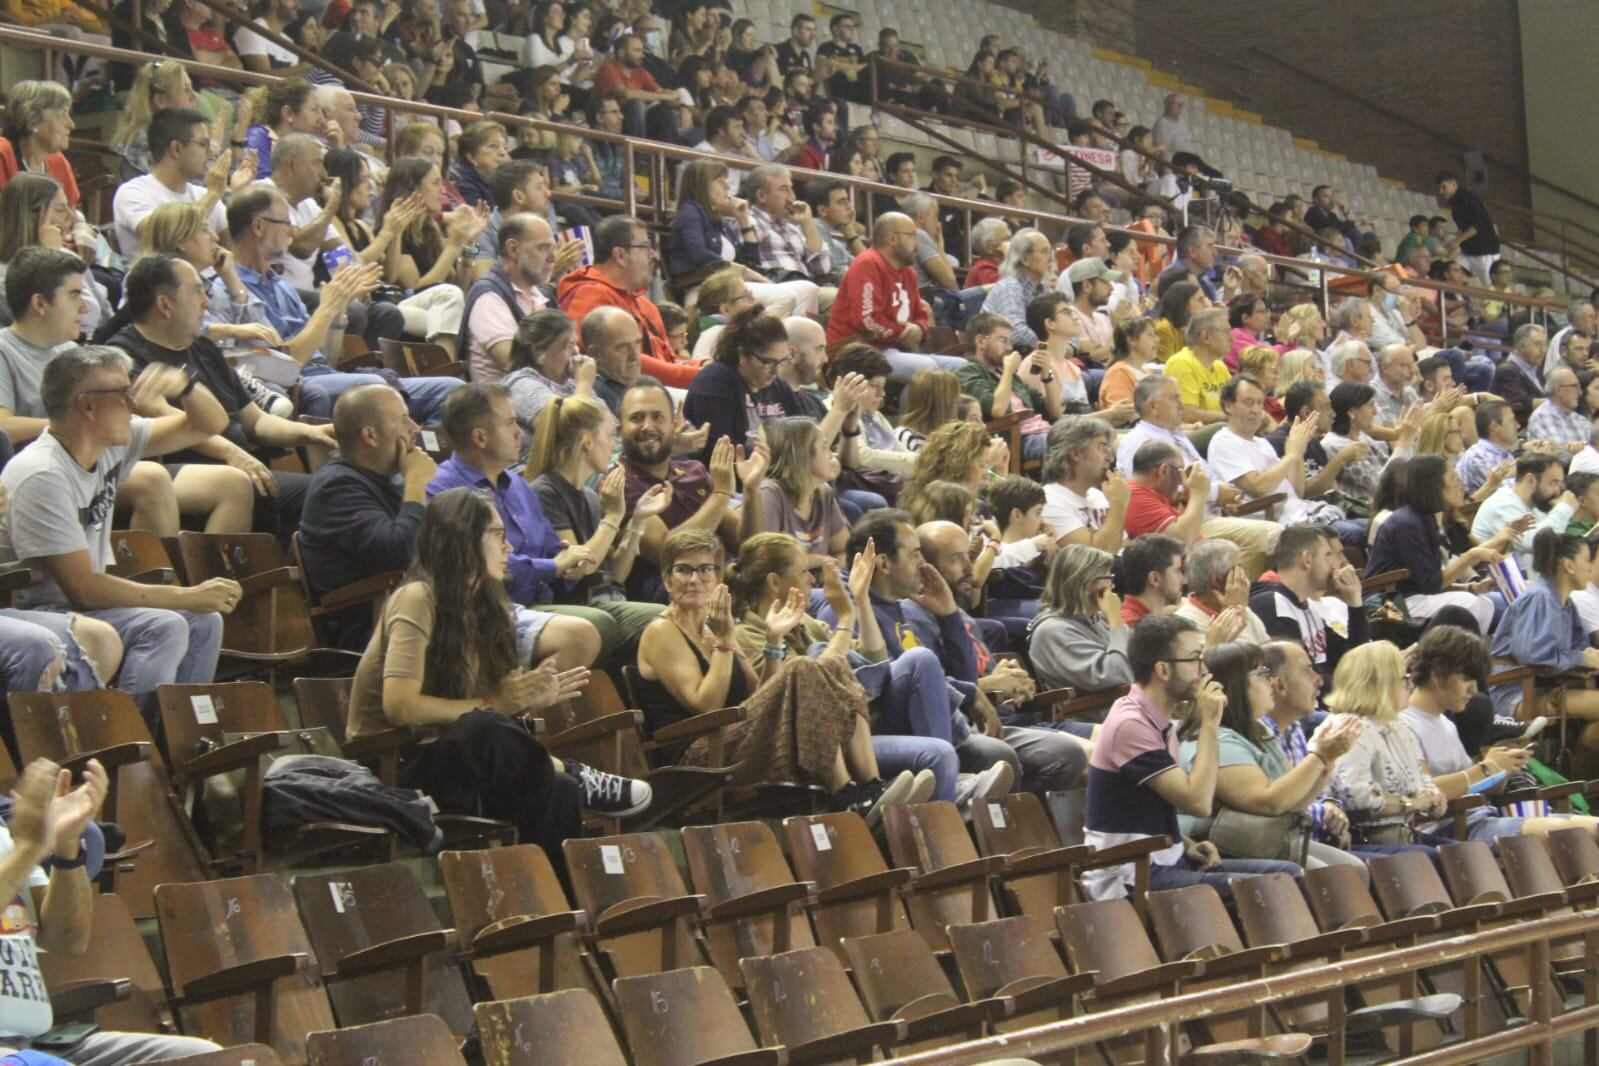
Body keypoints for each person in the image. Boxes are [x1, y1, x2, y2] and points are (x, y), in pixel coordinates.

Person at [347, 488, 651, 877]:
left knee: (559, 790)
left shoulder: (489, 608)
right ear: (463, 539)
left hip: (462, 758)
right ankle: (570, 770)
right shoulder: (417, 598)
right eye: (497, 534)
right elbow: (400, 706)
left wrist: (531, 698)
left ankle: (566, 916)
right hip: (396, 766)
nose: (508, 546)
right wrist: (498, 707)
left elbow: (492, 707)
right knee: (486, 726)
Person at [0, 345, 236, 728]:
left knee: (204, 620)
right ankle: (131, 754)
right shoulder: (42, 473)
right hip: (37, 610)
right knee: (167, 624)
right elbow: (84, 590)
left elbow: (209, 423)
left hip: (80, 607)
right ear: (87, 406)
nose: (134, 404)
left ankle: (187, 745)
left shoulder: (107, 447)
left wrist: (186, 384)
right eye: (123, 394)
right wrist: (183, 595)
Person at [638, 527, 928, 821]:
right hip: (698, 755)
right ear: (666, 580)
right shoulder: (663, 631)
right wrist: (725, 644)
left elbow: (759, 694)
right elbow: (706, 706)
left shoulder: (716, 626)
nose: (695, 579)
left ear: (717, 578)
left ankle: (870, 786)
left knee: (831, 665)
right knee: (802, 665)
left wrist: (774, 642)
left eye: (705, 569)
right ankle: (844, 795)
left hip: (736, 737)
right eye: (683, 570)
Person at [104, 254, 330, 535]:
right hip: (191, 475)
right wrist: (231, 451)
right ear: (164, 304)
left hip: (242, 466)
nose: (207, 303)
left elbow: (256, 421)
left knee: (333, 490)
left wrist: (312, 433)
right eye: (197, 291)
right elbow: (162, 418)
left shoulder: (204, 348)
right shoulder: (124, 357)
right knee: (324, 496)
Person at [1083, 613, 1303, 901]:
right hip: (1129, 876)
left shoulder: (1155, 716)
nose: (1203, 670)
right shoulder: (1130, 723)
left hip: (1164, 861)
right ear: (1163, 669)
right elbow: (1198, 802)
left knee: (1289, 873)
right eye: (1195, 659)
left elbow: (1152, 803)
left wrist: (1185, 844)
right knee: (1276, 888)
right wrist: (1209, 722)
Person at [224, 186, 461, 423]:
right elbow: (283, 366)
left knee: (453, 391)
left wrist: (337, 313)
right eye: (285, 223)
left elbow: (329, 358)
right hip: (297, 385)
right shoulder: (233, 290)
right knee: (376, 387)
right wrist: (328, 308)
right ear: (258, 226)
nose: (292, 231)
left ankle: (420, 457)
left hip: (325, 374)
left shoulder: (282, 287)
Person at [1178, 640, 1365, 872]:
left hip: (1267, 842)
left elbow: (1297, 801)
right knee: (1331, 877)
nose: (1270, 682)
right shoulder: (1218, 739)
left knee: (1354, 869)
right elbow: (1268, 802)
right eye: (1262, 673)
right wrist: (1319, 756)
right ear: (1236, 685)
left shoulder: (1260, 730)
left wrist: (1329, 757)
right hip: (1222, 848)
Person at [1404, 623, 1599, 842]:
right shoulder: (1404, 726)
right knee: (1583, 832)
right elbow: (1423, 792)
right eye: (1466, 678)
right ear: (1437, 672)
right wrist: (1486, 768)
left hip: (1482, 819)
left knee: (1589, 828)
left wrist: (1502, 770)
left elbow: (1473, 786)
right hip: (1450, 832)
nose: (1473, 690)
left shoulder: (1445, 723)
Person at [520, 393, 671, 661]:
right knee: (665, 621)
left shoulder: (589, 495)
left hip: (604, 599)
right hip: (568, 606)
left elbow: (614, 574)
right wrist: (612, 517)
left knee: (679, 617)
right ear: (587, 441)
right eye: (608, 437)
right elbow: (580, 568)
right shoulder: (545, 491)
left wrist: (636, 521)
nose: (614, 447)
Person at [1491, 530, 1599, 772]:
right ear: (1568, 565)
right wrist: (1583, 658)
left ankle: (1578, 779)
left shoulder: (1566, 603)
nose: (1590, 568)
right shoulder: (1540, 598)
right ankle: (1575, 778)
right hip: (1516, 693)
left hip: (1550, 687)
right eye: (1586, 560)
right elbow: (1534, 655)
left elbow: (1580, 647)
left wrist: (1588, 656)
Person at [1365, 454, 1506, 633]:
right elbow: (1431, 584)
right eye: (1454, 479)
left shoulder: (1426, 519)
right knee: (1469, 604)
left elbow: (1426, 579)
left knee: (1484, 603)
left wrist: (1470, 586)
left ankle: (1469, 655)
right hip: (1386, 603)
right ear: (1435, 486)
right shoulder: (1407, 524)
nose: (1460, 485)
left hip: (1412, 596)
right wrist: (1472, 556)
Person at [557, 215, 693, 387]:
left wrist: (702, 367)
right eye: (645, 247)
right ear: (620, 255)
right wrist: (700, 377)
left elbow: (670, 360)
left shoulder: (646, 305)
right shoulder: (589, 294)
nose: (653, 254)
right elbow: (623, 361)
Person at [827, 213, 965, 381]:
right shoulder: (868, 264)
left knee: (963, 367)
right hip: (858, 352)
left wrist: (919, 329)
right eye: (912, 236)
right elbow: (867, 320)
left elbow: (920, 313)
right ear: (892, 238)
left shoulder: (908, 272)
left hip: (893, 349)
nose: (918, 244)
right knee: (928, 370)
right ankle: (917, 408)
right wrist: (901, 334)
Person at [1249, 525, 1369, 683]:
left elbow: (1351, 662)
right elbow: (1294, 681)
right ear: (1307, 559)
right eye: (1327, 555)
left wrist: (1355, 604)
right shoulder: (1272, 606)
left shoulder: (1307, 606)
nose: (1333, 565)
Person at [111, 107, 234, 261]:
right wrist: (213, 194)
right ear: (176, 149)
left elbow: (233, 250)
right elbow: (166, 237)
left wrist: (239, 190)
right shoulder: (133, 192)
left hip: (213, 283)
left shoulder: (202, 194)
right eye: (203, 144)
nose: (210, 153)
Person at [460, 212, 556, 384]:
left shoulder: (543, 296)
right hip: (503, 405)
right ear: (513, 249)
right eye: (542, 248)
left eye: (553, 248)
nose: (552, 258)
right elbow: (513, 362)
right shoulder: (488, 296)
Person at [1027, 543, 1131, 700]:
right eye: (1107, 578)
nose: (1112, 585)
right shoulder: (1052, 632)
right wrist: (1116, 621)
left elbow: (1139, 663)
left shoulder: (1099, 618)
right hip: (1093, 718)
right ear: (1084, 582)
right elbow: (1118, 675)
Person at [955, 311, 1062, 463]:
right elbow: (997, 410)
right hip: (1018, 440)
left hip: (1044, 431)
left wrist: (1046, 374)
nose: (1009, 347)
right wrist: (1008, 371)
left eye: (1010, 342)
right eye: (1002, 340)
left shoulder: (1009, 374)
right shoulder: (968, 372)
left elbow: (1055, 412)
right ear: (980, 342)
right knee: (1071, 445)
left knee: (1092, 434)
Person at [758, 415, 849, 563]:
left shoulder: (823, 493)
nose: (832, 455)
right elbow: (767, 559)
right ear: (802, 456)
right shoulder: (770, 494)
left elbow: (843, 549)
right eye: (825, 448)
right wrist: (820, 561)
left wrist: (833, 569)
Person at [1470, 452, 1578, 575]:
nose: (1558, 491)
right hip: (1497, 587)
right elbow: (1535, 543)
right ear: (1531, 480)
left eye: (1559, 484)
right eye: (1553, 483)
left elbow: (1555, 543)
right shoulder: (1503, 503)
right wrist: (1564, 508)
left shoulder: (1536, 504)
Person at [1040, 416, 1129, 551]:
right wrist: (1118, 505)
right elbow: (1095, 560)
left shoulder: (1098, 496)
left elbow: (1124, 548)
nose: (1110, 458)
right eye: (1102, 447)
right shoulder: (1049, 501)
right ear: (1076, 454)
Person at [1175, 539, 1272, 644]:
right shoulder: (1185, 624)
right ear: (1217, 579)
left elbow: (1268, 655)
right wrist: (1232, 614)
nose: (1245, 576)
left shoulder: (1242, 608)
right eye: (1239, 568)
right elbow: (1239, 658)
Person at [0, 82, 79, 207]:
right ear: (32, 118)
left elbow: (70, 214)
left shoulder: (58, 161)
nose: (71, 124)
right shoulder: (2, 152)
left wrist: (80, 225)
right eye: (61, 114)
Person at [979, 228, 1054, 350]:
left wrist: (1070, 346)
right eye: (1045, 252)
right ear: (1025, 259)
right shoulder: (1010, 286)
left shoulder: (1045, 289)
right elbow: (1015, 331)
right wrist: (1050, 348)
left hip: (1034, 355)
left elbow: (1066, 320)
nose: (1051, 258)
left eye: (1051, 251)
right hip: (1004, 359)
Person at [1163, 308, 1234, 424]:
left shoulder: (1220, 367)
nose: (1232, 338)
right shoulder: (1181, 363)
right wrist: (1232, 416)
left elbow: (1236, 404)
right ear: (1206, 337)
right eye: (1226, 332)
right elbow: (1187, 415)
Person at [1436, 171, 1499, 287]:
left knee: (1491, 287)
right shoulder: (1455, 204)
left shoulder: (1470, 198)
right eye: (1440, 188)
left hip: (1485, 251)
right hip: (1469, 251)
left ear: (1453, 184)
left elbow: (1479, 224)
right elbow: (1463, 228)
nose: (1441, 192)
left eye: (1443, 187)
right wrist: (1455, 243)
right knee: (1450, 272)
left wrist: (1457, 240)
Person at [1115, 533, 1188, 627]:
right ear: (1155, 579)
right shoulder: (1132, 627)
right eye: (1178, 571)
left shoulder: (1151, 620)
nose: (1184, 580)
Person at [1456, 399, 1519, 497]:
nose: (1518, 425)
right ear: (1495, 427)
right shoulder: (1478, 456)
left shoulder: (1504, 453)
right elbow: (1510, 494)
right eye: (1512, 420)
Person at [1491, 323, 1548, 425]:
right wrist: (1555, 403)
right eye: (1538, 344)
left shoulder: (1536, 369)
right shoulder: (1507, 371)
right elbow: (1520, 404)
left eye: (1545, 344)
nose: (1543, 350)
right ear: (1522, 346)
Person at [1098, 317, 1158, 412]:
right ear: (1131, 340)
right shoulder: (1118, 373)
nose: (1156, 340)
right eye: (1150, 335)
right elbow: (1124, 415)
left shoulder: (1147, 372)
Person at [1528, 365, 1592, 448]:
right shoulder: (1541, 418)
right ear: (1558, 391)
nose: (1580, 392)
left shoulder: (1579, 419)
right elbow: (1549, 454)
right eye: (1574, 386)